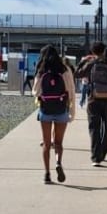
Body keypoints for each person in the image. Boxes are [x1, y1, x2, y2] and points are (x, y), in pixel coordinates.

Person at [33, 44, 77, 184]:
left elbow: (35, 91)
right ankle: (58, 162)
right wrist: (71, 112)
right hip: (61, 110)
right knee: (58, 142)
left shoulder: (41, 70)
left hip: (45, 110)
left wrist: (40, 96)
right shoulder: (65, 70)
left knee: (46, 144)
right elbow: (71, 92)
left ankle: (47, 174)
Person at [82, 43, 107, 166]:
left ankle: (95, 157)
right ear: (104, 51)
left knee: (94, 127)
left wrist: (84, 62)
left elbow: (77, 74)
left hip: (93, 99)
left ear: (92, 51)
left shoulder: (91, 64)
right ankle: (103, 152)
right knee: (106, 126)